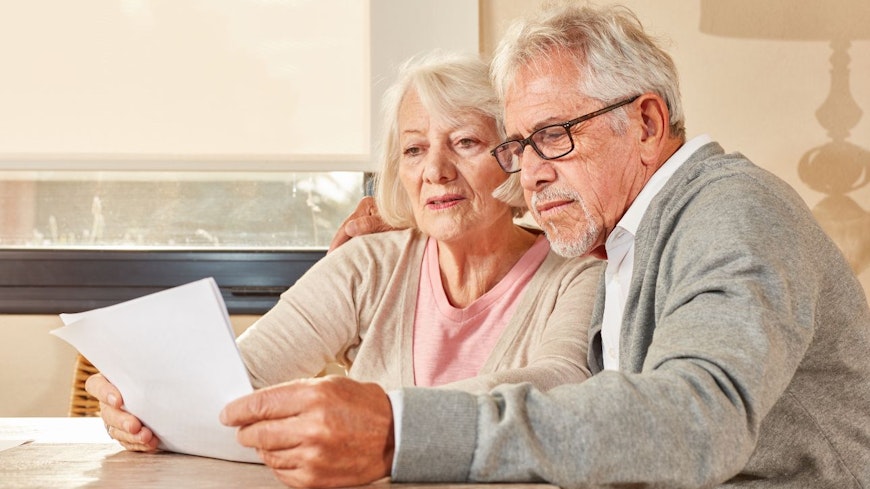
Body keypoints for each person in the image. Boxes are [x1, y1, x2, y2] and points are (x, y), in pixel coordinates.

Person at [217, 3, 870, 488]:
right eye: (520, 145)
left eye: (555, 135)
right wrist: (418, 228)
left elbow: (694, 420)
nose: (530, 172)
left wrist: (403, 427)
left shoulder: (733, 212)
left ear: (646, 121)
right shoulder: (621, 244)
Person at [86, 51, 603, 459]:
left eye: (465, 142)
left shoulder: (576, 273)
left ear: (512, 157)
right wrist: (140, 400)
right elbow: (240, 380)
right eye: (415, 149)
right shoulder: (368, 264)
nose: (435, 171)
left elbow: (559, 385)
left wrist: (379, 415)